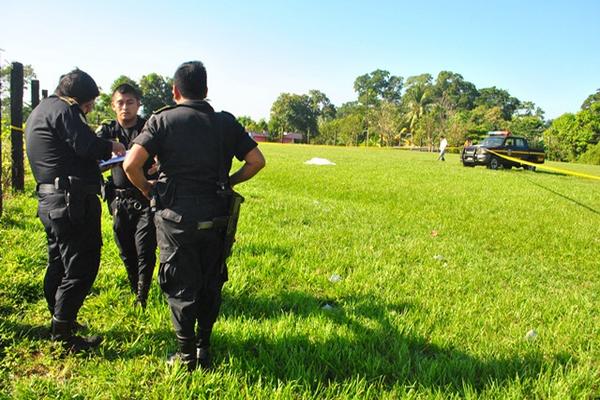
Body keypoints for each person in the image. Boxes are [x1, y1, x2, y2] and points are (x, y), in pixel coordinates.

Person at [123, 61, 265, 370]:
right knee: (211, 281)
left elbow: (130, 165)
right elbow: (257, 161)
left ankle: (185, 355)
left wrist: (148, 189)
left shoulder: (162, 121)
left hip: (176, 218)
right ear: (206, 91)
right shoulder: (226, 122)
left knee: (180, 284)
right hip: (217, 215)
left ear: (175, 91)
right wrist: (230, 181)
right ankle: (204, 349)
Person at [25, 69, 126, 352]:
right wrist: (112, 147)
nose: (90, 108)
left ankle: (60, 319)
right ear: (78, 98)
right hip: (72, 202)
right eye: (89, 103)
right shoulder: (65, 110)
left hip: (49, 200)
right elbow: (86, 145)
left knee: (59, 262)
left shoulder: (40, 111)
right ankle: (64, 335)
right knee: (82, 265)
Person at [96, 84, 157, 308]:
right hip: (118, 199)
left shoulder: (149, 128)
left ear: (138, 104)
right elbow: (92, 161)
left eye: (130, 102)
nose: (125, 107)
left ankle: (142, 296)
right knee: (125, 249)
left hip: (145, 196)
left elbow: (167, 153)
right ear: (113, 105)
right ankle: (135, 286)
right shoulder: (106, 132)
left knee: (145, 248)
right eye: (120, 103)